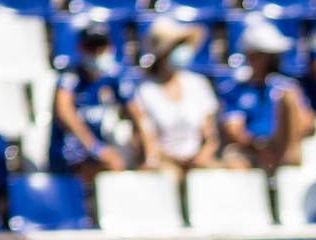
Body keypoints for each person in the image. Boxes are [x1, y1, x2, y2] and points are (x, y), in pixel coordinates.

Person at [49, 24, 150, 182]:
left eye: (101, 47)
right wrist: (96, 149)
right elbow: (64, 111)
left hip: (101, 151)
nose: (96, 53)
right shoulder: (70, 77)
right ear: (81, 48)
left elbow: (137, 113)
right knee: (111, 167)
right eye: (91, 47)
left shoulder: (113, 77)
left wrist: (149, 153)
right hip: (70, 155)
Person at [219, 18, 315, 172]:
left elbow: (307, 123)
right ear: (251, 56)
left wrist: (278, 142)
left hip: (283, 146)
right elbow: (234, 130)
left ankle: (287, 166)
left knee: (289, 99)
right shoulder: (236, 90)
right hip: (251, 149)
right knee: (234, 163)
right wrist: (258, 146)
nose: (272, 60)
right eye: (266, 55)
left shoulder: (288, 88)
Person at [135, 17, 222, 178]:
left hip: (198, 161)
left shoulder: (198, 84)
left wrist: (201, 156)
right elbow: (146, 139)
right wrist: (172, 161)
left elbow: (210, 135)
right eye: (176, 45)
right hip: (164, 163)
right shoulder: (144, 90)